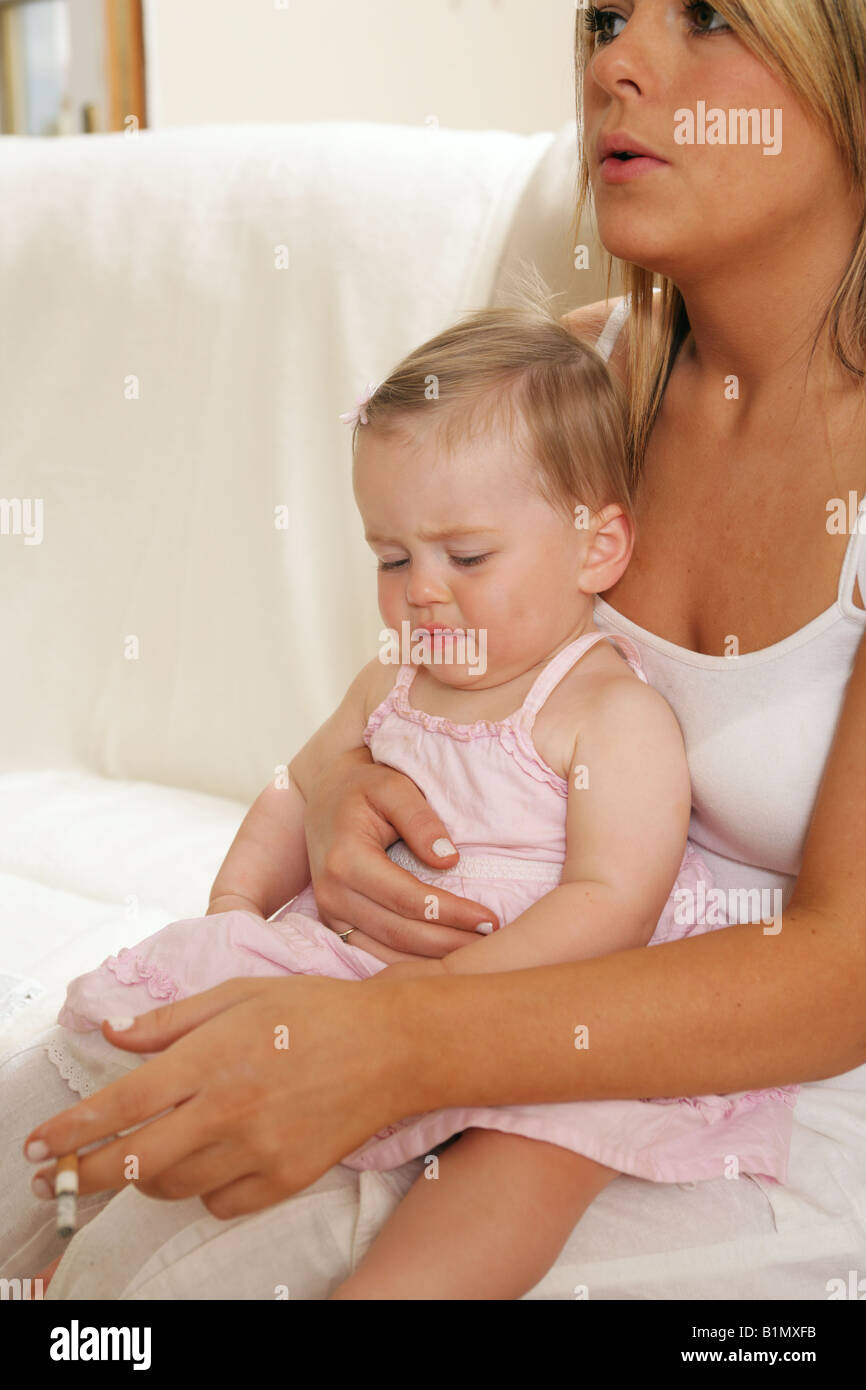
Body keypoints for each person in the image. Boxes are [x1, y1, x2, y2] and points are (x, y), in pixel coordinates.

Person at [5, 0, 865, 1299]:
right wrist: (340, 786)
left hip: (751, 1076)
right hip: (476, 988)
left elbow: (841, 961)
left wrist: (392, 1039)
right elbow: (413, 678)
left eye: (703, 17)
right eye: (608, 19)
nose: (615, 65)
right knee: (97, 1203)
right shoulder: (573, 389)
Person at [28, 297, 798, 1300]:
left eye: (464, 557)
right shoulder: (391, 681)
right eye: (391, 558)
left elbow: (614, 897)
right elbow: (294, 786)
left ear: (595, 548)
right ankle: (86, 1240)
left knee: (535, 1150)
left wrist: (447, 996)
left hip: (544, 1001)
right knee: (187, 1056)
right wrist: (234, 916)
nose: (419, 591)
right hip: (360, 975)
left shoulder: (604, 711)